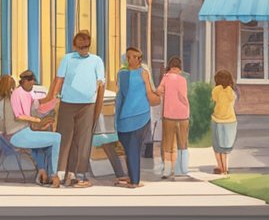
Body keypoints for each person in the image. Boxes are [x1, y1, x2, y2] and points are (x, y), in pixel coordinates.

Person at [43, 30, 105, 188]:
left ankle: (76, 174)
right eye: (81, 47)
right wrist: (53, 99)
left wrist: (98, 109)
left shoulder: (96, 60)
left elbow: (101, 85)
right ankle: (60, 173)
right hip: (68, 103)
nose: (84, 50)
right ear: (75, 46)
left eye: (86, 46)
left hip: (88, 104)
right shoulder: (67, 59)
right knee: (64, 139)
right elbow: (59, 80)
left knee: (82, 141)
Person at [0, 71, 62, 187]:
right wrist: (39, 121)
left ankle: (42, 173)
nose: (32, 84)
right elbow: (20, 116)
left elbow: (38, 105)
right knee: (57, 138)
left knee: (43, 143)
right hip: (18, 135)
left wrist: (54, 97)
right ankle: (53, 175)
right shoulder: (16, 96)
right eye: (30, 82)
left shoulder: (24, 94)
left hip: (22, 132)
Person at [114, 47, 159, 188]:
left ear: (140, 59)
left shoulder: (143, 73)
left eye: (134, 56)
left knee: (134, 148)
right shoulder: (122, 74)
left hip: (140, 115)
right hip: (123, 116)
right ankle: (132, 177)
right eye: (128, 56)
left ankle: (134, 180)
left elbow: (149, 91)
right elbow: (120, 93)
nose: (131, 59)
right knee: (128, 149)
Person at [156, 56, 190, 179]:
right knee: (182, 142)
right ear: (179, 68)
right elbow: (183, 96)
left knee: (168, 143)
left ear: (170, 67)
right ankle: (181, 169)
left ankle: (167, 170)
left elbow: (159, 91)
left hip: (168, 114)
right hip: (182, 115)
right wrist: (186, 104)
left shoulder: (165, 78)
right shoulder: (182, 80)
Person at [211, 69, 238, 176]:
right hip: (230, 120)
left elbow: (214, 99)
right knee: (226, 147)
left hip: (217, 119)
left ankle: (220, 167)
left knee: (217, 146)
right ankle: (225, 168)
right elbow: (233, 99)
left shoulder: (215, 90)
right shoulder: (231, 92)